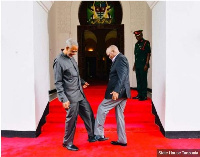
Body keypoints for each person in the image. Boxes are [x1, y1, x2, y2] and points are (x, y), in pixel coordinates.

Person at [53, 38, 96, 151]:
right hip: (70, 97)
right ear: (66, 48)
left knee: (89, 113)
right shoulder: (59, 61)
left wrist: (82, 82)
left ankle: (92, 136)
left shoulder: (71, 58)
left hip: (80, 93)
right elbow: (58, 82)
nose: (74, 53)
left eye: (76, 51)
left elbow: (74, 75)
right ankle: (67, 142)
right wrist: (63, 99)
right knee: (72, 120)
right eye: (72, 51)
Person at [94, 45, 131, 146]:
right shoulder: (119, 59)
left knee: (102, 108)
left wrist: (116, 91)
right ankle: (122, 140)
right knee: (119, 116)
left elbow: (122, 76)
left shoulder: (120, 59)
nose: (108, 56)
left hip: (118, 92)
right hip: (122, 92)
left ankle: (98, 134)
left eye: (109, 54)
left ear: (113, 51)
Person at [132, 30, 151, 101]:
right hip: (138, 64)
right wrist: (134, 64)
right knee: (139, 80)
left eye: (138, 36)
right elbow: (136, 56)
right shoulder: (136, 44)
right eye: (136, 36)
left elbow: (148, 54)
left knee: (143, 80)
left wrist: (146, 64)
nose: (137, 37)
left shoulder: (146, 43)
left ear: (141, 35)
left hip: (143, 65)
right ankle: (139, 94)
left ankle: (144, 95)